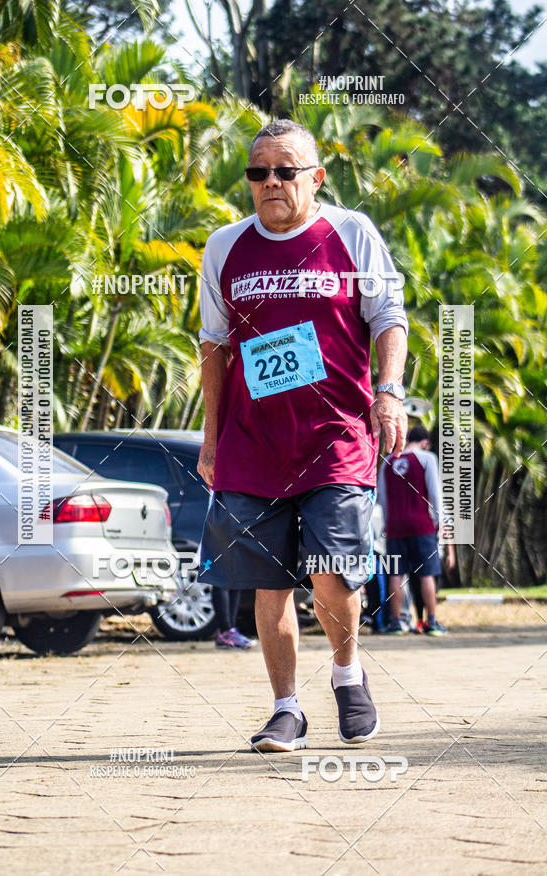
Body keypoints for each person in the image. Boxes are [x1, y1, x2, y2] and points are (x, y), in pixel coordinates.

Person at [196, 119, 408, 752]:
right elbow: (216, 347)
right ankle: (286, 709)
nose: (270, 183)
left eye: (285, 171)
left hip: (335, 436)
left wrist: (389, 393)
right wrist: (210, 442)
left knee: (335, 572)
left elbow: (389, 318)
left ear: (316, 177)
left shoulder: (350, 233)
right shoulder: (225, 247)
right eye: (258, 172)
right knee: (270, 580)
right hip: (255, 445)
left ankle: (347, 676)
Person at [377, 425, 447, 636]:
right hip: (422, 525)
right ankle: (431, 622)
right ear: (425, 442)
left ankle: (396, 623)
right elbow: (435, 493)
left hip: (395, 527)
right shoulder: (427, 458)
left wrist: (389, 525)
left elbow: (382, 499)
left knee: (396, 574)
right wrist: (439, 522)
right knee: (427, 574)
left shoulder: (387, 463)